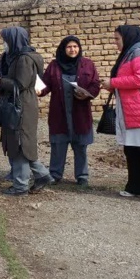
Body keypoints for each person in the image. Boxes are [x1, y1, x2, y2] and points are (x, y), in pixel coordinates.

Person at [101, 25, 140, 204]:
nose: (115, 43)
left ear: (127, 38)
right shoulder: (129, 53)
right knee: (132, 150)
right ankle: (137, 187)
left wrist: (113, 82)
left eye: (117, 39)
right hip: (132, 111)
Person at [0, 27, 50, 196]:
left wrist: (0, 82)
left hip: (22, 107)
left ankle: (20, 186)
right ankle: (42, 175)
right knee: (20, 144)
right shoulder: (12, 57)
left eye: (5, 39)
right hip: (16, 105)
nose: (3, 43)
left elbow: (21, 84)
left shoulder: (24, 59)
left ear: (14, 40)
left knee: (19, 144)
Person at [39, 36, 100, 186]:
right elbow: (46, 84)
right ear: (63, 49)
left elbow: (95, 84)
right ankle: (55, 174)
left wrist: (87, 93)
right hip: (60, 112)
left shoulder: (87, 64)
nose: (73, 50)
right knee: (58, 144)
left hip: (80, 112)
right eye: (69, 47)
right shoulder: (54, 65)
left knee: (80, 145)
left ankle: (82, 176)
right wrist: (39, 91)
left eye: (75, 46)